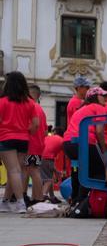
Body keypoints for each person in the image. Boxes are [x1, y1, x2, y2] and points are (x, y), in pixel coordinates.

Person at [62, 87, 107, 203]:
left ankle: (75, 200)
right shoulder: (99, 107)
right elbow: (99, 131)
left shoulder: (81, 109)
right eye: (102, 95)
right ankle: (83, 200)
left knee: (78, 170)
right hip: (84, 142)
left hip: (68, 143)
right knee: (98, 171)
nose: (105, 98)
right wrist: (103, 149)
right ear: (95, 97)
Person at [0, 72, 40, 213]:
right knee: (15, 170)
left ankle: (20, 203)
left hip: (6, 138)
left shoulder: (2, 102)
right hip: (23, 139)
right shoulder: (29, 103)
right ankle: (5, 202)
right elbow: (36, 124)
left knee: (13, 170)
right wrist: (26, 131)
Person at [22, 84, 48, 205]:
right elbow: (45, 131)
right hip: (39, 144)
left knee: (32, 170)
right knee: (30, 170)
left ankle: (37, 198)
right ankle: (33, 197)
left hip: (31, 143)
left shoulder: (30, 106)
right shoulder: (40, 109)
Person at [41, 126, 65, 204]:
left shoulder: (48, 137)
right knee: (48, 180)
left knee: (49, 177)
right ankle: (42, 197)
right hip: (47, 159)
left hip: (39, 156)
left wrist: (56, 171)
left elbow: (50, 166)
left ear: (54, 132)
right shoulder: (62, 140)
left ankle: (52, 197)